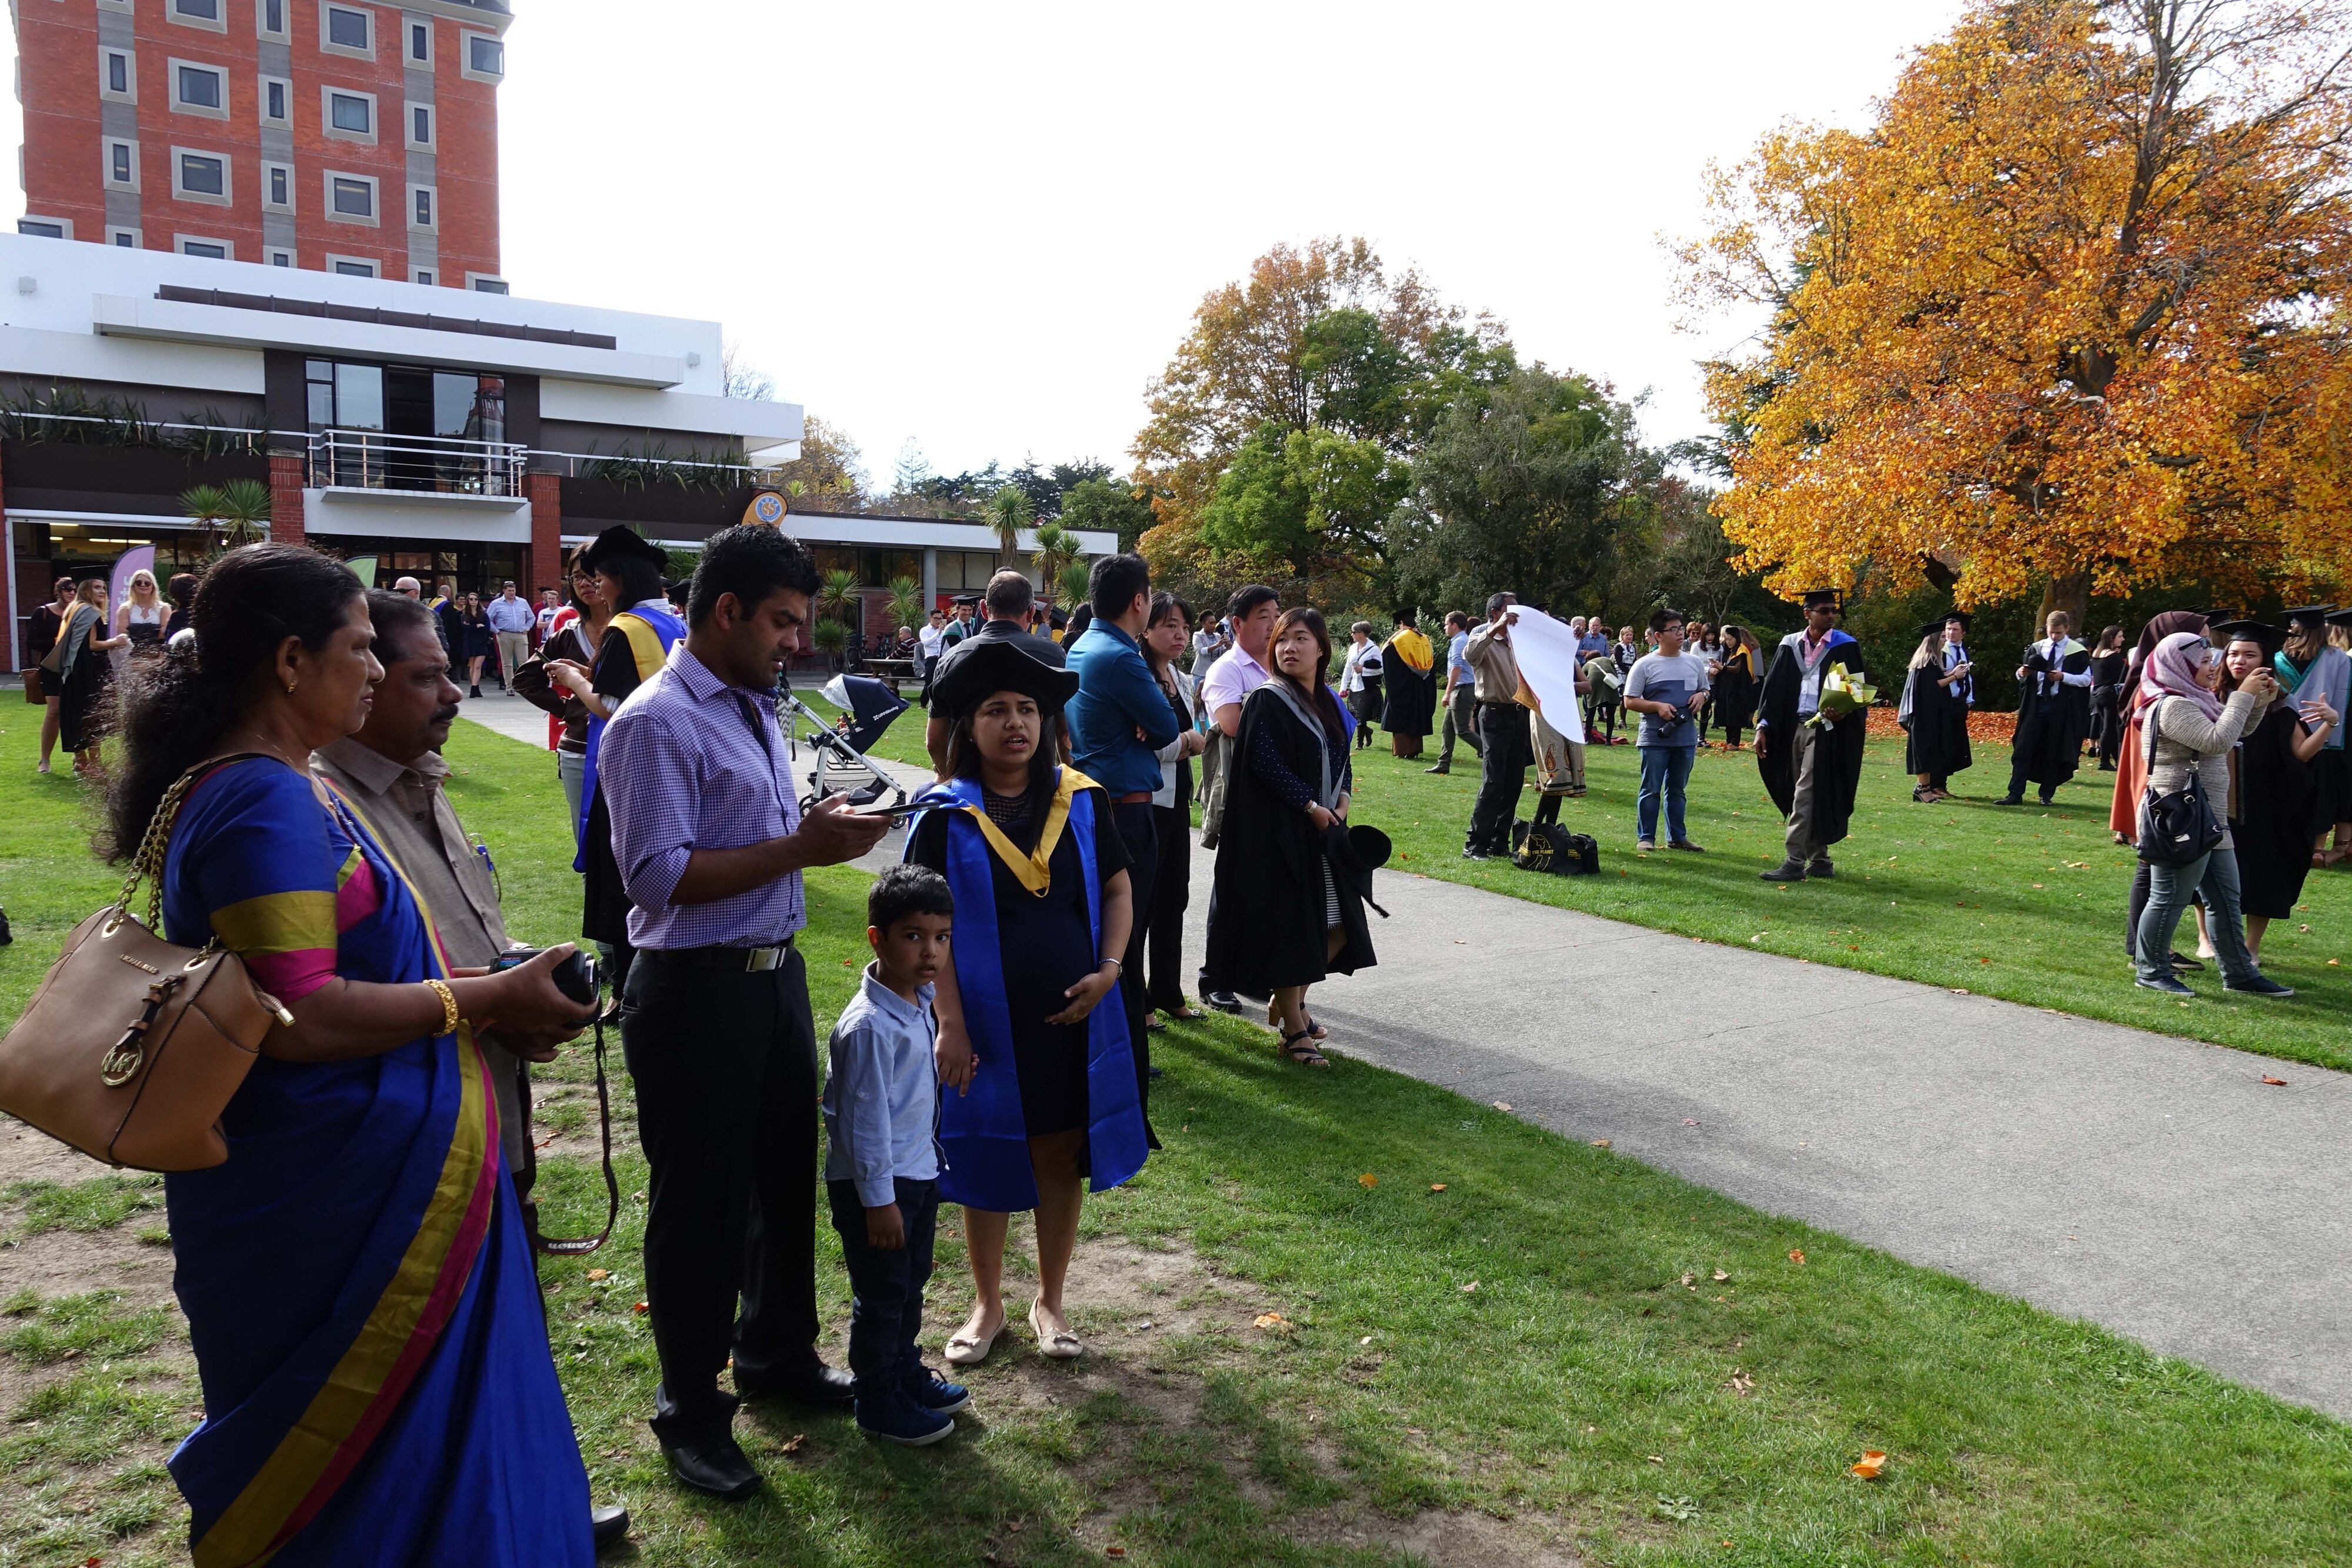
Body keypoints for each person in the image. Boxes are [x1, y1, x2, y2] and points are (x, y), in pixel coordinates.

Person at [106, 543, 612, 1562]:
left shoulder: (288, 782)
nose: (377, 670)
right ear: (290, 664)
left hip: (382, 1178)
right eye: (358, 648)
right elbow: (299, 1013)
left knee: (433, 1466)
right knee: (382, 1488)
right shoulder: (262, 795)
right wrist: (484, 1000)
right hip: (343, 1206)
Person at [598, 523, 895, 1497]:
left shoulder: (755, 709)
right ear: (724, 611)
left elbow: (764, 834)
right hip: (694, 989)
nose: (794, 642)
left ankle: (776, 1354)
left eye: (799, 623)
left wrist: (822, 832)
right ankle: (691, 1409)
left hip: (773, 978)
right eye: (779, 621)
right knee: (701, 1206)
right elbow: (656, 875)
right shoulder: (654, 721)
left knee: (779, 1179)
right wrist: (800, 852)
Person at [907, 635, 1148, 1367]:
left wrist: (1110, 969)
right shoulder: (944, 815)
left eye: (1028, 709)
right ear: (966, 727)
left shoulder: (1081, 799)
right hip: (981, 1024)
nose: (1015, 723)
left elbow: (1117, 887)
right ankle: (987, 1302)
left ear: (1047, 721)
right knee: (985, 1153)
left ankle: (1051, 1298)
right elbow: (928, 932)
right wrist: (949, 1020)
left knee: (1056, 1150)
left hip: (1074, 1017)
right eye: (994, 710)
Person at [314, 589, 551, 1249]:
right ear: (363, 680)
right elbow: (312, 1004)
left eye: (448, 672)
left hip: (489, 1122)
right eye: (425, 677)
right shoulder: (317, 807)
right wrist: (503, 994)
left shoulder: (420, 774)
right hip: (409, 1156)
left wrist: (520, 987)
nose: (452, 693)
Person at [822, 864, 969, 1446]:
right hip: (877, 1186)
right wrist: (879, 1202)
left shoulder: (917, 1001)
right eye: (913, 936)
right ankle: (878, 1399)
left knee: (907, 1286)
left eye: (942, 937)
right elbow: (862, 1124)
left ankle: (904, 1373)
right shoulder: (867, 1026)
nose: (930, 952)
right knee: (882, 1295)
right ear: (877, 937)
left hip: (916, 1173)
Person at [1207, 606, 1377, 1066]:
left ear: (1322, 648)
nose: (1288, 648)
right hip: (1281, 834)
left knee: (1339, 928)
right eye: (1281, 640)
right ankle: (1295, 1029)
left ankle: (1289, 1002)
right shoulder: (1268, 698)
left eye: (1300, 639)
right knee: (1294, 930)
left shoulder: (1327, 700)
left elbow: (1342, 756)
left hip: (1324, 831)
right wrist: (1310, 806)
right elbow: (1264, 763)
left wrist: (1341, 799)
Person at [546, 526, 687, 1006]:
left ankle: (629, 993)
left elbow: (611, 704)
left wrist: (571, 679)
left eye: (601, 577)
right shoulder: (675, 624)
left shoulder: (624, 628)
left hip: (628, 767)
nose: (598, 588)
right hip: (673, 766)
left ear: (620, 579)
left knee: (622, 880)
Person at [1064, 553, 1179, 1122]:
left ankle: (1123, 1047)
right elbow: (1164, 725)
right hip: (1128, 813)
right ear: (1139, 601)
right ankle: (1128, 1056)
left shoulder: (1083, 645)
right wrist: (1149, 715)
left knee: (1111, 935)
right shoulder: (1121, 657)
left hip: (1095, 803)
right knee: (1126, 938)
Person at [2129, 630, 2294, 997]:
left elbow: (2235, 731)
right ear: (2180, 665)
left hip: (2209, 817)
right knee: (2169, 897)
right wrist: (2242, 696)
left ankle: (2238, 974)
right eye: (2204, 661)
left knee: (2225, 899)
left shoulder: (2196, 698)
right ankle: (2151, 970)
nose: (2212, 667)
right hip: (2182, 817)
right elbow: (2217, 741)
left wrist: (2259, 701)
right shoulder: (2173, 705)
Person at [2211, 621, 2335, 958]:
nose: (2239, 661)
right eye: (2233, 654)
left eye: (2249, 655)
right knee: (2208, 870)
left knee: (2264, 871)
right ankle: (2206, 941)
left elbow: (2301, 755)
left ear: (2265, 660)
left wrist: (2329, 724)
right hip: (2219, 797)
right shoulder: (2211, 698)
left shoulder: (2280, 704)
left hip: (2266, 802)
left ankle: (2250, 947)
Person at [1196, 583, 1280, 1012]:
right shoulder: (1227, 670)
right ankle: (1215, 978)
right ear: (1238, 623)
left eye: (1274, 613)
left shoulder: (1282, 667)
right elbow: (1231, 724)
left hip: (1281, 795)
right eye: (1263, 614)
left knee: (1267, 890)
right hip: (1240, 797)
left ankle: (1253, 973)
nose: (1272, 623)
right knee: (1230, 889)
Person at [1756, 589, 1869, 882]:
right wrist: (1762, 726)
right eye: (1824, 610)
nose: (1831, 615)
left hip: (1827, 731)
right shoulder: (1789, 645)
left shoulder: (1845, 646)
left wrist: (1843, 712)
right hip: (1791, 728)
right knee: (1798, 791)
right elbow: (1774, 690)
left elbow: (1855, 693)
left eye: (1833, 610)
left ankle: (1794, 861)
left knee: (1806, 792)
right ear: (1807, 613)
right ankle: (1820, 859)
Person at [923, 571, 1066, 773]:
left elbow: (935, 740)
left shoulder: (953, 658)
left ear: (982, 609)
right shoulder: (1053, 656)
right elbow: (1064, 732)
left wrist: (951, 779)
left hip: (972, 785)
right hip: (1038, 782)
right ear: (1032, 612)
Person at [1141, 593, 1206, 1028]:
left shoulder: (1180, 679)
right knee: (1141, 904)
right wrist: (1185, 744)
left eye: (1183, 625)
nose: (1179, 634)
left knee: (1173, 898)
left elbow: (1195, 728)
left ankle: (1166, 991)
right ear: (1145, 629)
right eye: (1168, 625)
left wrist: (1186, 740)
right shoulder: (1138, 678)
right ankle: (1139, 1003)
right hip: (1145, 804)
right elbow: (1149, 742)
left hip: (1177, 803)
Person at [515, 553, 606, 825]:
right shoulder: (568, 633)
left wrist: (582, 677)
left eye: (592, 574)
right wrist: (567, 709)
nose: (585, 582)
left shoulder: (633, 630)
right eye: (577, 576)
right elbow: (525, 679)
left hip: (629, 749)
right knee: (587, 837)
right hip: (579, 746)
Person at [1622, 608, 1711, 852]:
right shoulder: (1644, 665)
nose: (1681, 634)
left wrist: (1702, 696)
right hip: (1654, 738)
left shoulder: (1693, 663)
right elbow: (1629, 700)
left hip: (1685, 738)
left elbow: (1705, 690)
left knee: (1678, 790)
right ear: (1658, 635)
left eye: (1681, 629)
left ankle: (1677, 837)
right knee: (1650, 789)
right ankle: (1646, 837)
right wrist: (1657, 706)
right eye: (1674, 630)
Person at [2271, 605, 2352, 866]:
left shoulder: (2276, 659)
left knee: (2287, 788)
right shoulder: (2339, 658)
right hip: (2327, 735)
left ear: (2292, 629)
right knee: (2322, 793)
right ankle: (2318, 848)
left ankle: (2286, 840)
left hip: (2286, 733)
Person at [1463, 593, 1532, 860]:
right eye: (1510, 609)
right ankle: (1475, 844)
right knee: (1493, 781)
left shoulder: (1518, 643)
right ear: (1495, 613)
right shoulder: (1484, 638)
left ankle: (1498, 841)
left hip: (1518, 715)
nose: (1516, 614)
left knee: (1513, 781)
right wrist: (1495, 629)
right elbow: (1470, 655)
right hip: (1493, 714)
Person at [2000, 611, 2092, 806]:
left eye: (2058, 633)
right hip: (2036, 704)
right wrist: (2021, 673)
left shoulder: (2077, 652)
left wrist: (2064, 677)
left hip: (2059, 706)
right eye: (2051, 632)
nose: (2054, 637)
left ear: (2067, 629)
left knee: (2054, 749)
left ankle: (2046, 794)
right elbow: (2022, 676)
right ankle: (2015, 793)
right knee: (2023, 748)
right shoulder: (2036, 648)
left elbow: (2086, 680)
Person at [1900, 612, 1974, 801]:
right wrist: (1954, 676)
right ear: (1933, 639)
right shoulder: (1927, 661)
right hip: (1924, 715)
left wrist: (1951, 673)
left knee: (1931, 750)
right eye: (1942, 636)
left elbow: (1935, 680)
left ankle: (1926, 789)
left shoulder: (1933, 660)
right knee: (1925, 751)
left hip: (1931, 713)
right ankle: (1923, 790)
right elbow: (1932, 687)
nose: (1945, 639)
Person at [56, 578, 126, 776]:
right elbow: (92, 644)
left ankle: (81, 761)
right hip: (88, 673)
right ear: (86, 589)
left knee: (77, 714)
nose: (102, 591)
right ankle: (94, 765)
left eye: (104, 588)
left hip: (73, 671)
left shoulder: (73, 610)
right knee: (91, 715)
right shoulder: (89, 612)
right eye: (97, 587)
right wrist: (116, 641)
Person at [26, 573, 73, 773]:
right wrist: (57, 640)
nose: (71, 593)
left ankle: (79, 759)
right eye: (67, 589)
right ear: (59, 592)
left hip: (75, 667)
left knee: (76, 713)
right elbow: (31, 642)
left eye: (74, 590)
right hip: (51, 667)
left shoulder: (80, 613)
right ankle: (44, 760)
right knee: (54, 711)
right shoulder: (43, 612)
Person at [1379, 609, 1437, 759]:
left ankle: (1403, 750)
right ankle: (1415, 750)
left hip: (1403, 685)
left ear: (1402, 624)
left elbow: (1386, 654)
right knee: (1416, 715)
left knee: (1402, 715)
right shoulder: (1425, 639)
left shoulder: (1400, 640)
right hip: (1420, 686)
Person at [1427, 610, 1480, 774]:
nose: (1444, 627)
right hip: (1463, 689)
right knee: (1447, 728)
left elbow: (1456, 669)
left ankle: (1492, 754)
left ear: (1454, 625)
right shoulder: (1460, 640)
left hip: (1462, 690)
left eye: (1446, 624)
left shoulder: (1459, 642)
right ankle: (1444, 763)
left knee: (1463, 730)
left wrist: (1447, 693)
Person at [2087, 625, 2129, 771]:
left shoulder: (2097, 654)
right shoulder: (2111, 656)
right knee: (2110, 728)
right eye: (2120, 636)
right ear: (2111, 638)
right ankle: (2105, 761)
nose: (2122, 639)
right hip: (2110, 694)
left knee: (2108, 728)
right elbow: (2126, 673)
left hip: (2098, 694)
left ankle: (2115, 759)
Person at [1713, 625, 1761, 749]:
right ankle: (1729, 741)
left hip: (1738, 691)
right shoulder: (1730, 652)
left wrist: (1722, 668)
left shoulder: (1742, 651)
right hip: (1729, 689)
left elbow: (1738, 669)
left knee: (1735, 716)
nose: (1728, 642)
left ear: (1736, 638)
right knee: (1729, 715)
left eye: (1730, 639)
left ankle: (1735, 743)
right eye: (1726, 639)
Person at [1339, 621, 1384, 750]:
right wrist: (1343, 687)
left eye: (1354, 632)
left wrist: (1363, 669)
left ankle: (1359, 743)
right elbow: (1348, 668)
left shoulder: (1374, 649)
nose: (1352, 634)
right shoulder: (1353, 648)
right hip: (1354, 686)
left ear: (1362, 633)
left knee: (1361, 715)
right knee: (1354, 714)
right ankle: (1368, 732)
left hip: (1367, 687)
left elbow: (1381, 669)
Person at [487, 580, 536, 690]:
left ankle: (524, 686)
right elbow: (488, 619)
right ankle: (509, 687)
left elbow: (532, 617)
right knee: (507, 662)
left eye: (513, 591)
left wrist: (527, 628)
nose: (512, 593)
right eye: (509, 591)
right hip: (505, 634)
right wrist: (497, 631)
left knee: (524, 661)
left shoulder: (522, 602)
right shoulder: (496, 604)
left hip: (521, 634)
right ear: (504, 591)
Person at [115, 568, 171, 658]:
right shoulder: (125, 608)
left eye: (147, 583)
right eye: (139, 583)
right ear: (133, 586)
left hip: (158, 657)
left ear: (153, 586)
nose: (143, 585)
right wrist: (155, 630)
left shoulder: (164, 608)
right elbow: (123, 634)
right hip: (131, 657)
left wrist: (134, 630)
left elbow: (164, 633)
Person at [455, 590, 493, 699]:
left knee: (478, 666)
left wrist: (473, 626)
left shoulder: (483, 614)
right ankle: (475, 687)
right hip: (469, 641)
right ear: (468, 601)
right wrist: (477, 626)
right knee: (472, 666)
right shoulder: (464, 615)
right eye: (471, 599)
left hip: (481, 641)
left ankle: (474, 687)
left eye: (475, 599)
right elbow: (465, 628)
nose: (473, 601)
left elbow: (487, 628)